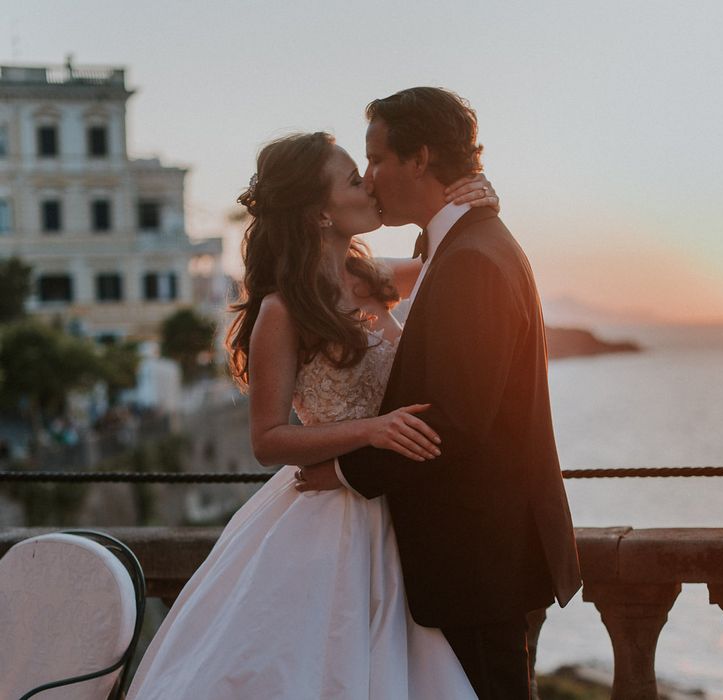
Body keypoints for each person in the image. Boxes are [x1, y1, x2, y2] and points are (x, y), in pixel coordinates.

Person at [127, 130, 497, 699]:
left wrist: (473, 205)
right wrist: (373, 430)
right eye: (354, 177)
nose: (370, 182)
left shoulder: (372, 277)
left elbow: (456, 266)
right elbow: (269, 440)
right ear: (320, 212)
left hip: (396, 505)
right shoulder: (282, 311)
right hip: (330, 518)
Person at [297, 87, 582, 699]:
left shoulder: (474, 258)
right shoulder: (460, 244)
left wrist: (343, 470)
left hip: (476, 560)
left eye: (376, 160)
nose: (369, 179)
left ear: (419, 159)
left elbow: (452, 421)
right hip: (470, 555)